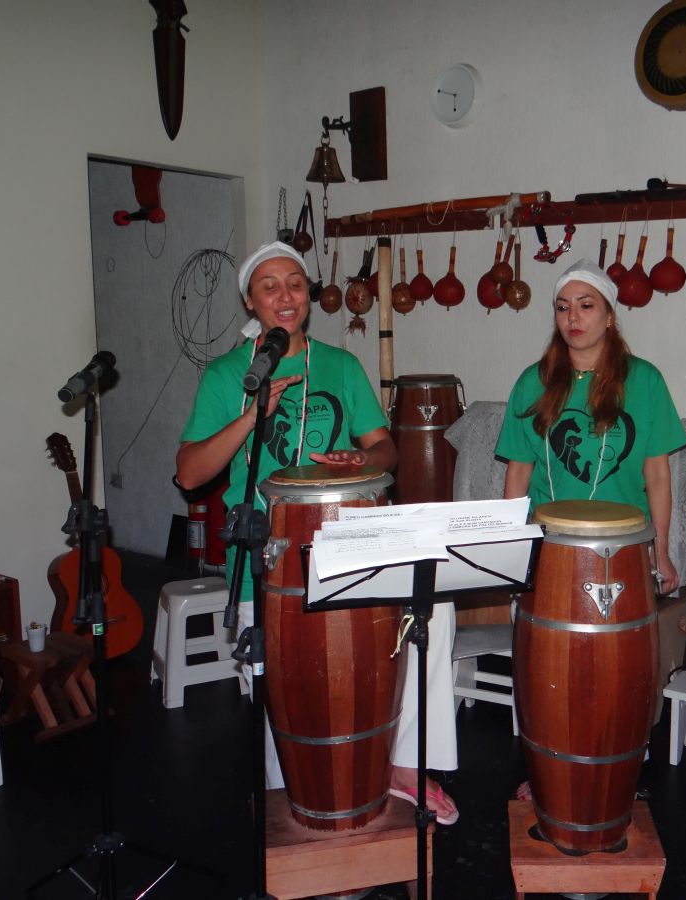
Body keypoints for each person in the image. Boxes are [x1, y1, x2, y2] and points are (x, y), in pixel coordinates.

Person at [176, 241, 457, 825]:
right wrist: (250, 417)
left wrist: (363, 460)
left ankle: (404, 763)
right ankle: (294, 809)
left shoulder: (341, 365)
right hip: (269, 559)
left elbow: (385, 449)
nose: (285, 296)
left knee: (433, 610)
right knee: (290, 705)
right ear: (250, 301)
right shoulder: (227, 375)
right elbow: (190, 474)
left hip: (351, 544)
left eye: (296, 284)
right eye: (269, 286)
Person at [495, 258, 686, 595]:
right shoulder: (532, 382)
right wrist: (510, 547)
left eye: (586, 305)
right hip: (549, 543)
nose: (572, 317)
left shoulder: (645, 381)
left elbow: (657, 474)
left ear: (609, 316)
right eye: (562, 307)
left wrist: (660, 550)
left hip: (624, 545)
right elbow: (518, 471)